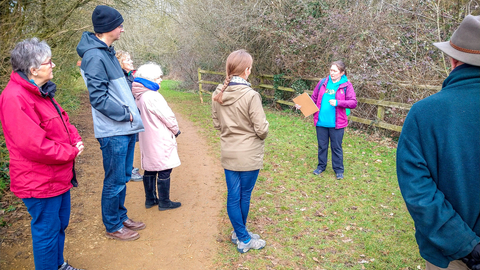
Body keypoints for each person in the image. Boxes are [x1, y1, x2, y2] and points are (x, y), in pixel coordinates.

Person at [396, 14, 480, 270]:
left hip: (451, 255)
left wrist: (468, 247)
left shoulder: (424, 113)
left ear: (453, 60)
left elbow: (417, 188)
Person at [0, 38, 84, 270]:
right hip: (38, 181)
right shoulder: (15, 97)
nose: (54, 65)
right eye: (49, 62)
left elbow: (63, 119)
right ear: (33, 69)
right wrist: (70, 152)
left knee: (58, 225)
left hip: (57, 176)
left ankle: (59, 265)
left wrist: (75, 139)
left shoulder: (39, 91)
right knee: (46, 232)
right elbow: (33, 145)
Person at [76, 5, 146, 241]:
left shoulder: (106, 51)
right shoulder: (94, 56)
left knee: (123, 176)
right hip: (113, 129)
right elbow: (98, 98)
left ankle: (120, 215)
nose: (122, 29)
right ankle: (112, 225)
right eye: (120, 25)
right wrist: (126, 113)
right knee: (114, 179)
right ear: (108, 28)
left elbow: (116, 87)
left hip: (124, 127)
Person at [212, 49, 269, 253]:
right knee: (243, 196)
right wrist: (264, 127)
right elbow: (261, 130)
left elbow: (217, 124)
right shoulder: (251, 96)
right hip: (248, 154)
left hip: (229, 152)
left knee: (233, 196)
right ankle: (243, 238)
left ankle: (240, 232)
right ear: (247, 70)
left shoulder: (218, 93)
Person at [131, 63, 182, 210]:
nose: (161, 80)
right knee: (165, 167)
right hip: (158, 135)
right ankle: (164, 202)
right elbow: (167, 116)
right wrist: (175, 130)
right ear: (150, 78)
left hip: (147, 136)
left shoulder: (139, 96)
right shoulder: (153, 96)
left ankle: (151, 199)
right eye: (158, 77)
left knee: (151, 167)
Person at [297, 60, 357, 180]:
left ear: (342, 72)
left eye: (335, 71)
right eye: (331, 70)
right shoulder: (323, 82)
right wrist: (302, 105)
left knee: (336, 147)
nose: (332, 73)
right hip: (321, 122)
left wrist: (338, 102)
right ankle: (321, 167)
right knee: (322, 146)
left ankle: (339, 170)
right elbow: (313, 98)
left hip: (337, 124)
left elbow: (353, 103)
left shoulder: (346, 85)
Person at [116, 50, 143, 182]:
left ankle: (129, 169)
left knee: (131, 145)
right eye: (128, 60)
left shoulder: (129, 76)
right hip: (126, 119)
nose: (131, 62)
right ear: (120, 63)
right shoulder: (120, 79)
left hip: (132, 117)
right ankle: (127, 171)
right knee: (125, 147)